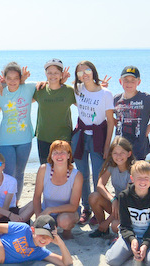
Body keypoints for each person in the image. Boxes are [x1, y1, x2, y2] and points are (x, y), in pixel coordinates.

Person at [71, 60, 115, 224]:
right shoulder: (77, 89)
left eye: (87, 70)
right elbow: (57, 84)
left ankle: (98, 211)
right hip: (80, 136)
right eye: (80, 72)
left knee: (98, 177)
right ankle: (86, 208)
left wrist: (107, 146)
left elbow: (110, 122)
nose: (84, 74)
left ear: (93, 71)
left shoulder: (105, 93)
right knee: (81, 175)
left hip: (98, 137)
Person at [105, 161, 150, 266]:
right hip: (130, 236)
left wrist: (145, 244)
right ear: (132, 179)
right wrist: (132, 240)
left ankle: (143, 250)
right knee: (112, 261)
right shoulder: (124, 196)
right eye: (139, 178)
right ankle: (117, 243)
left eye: (146, 178)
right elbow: (124, 225)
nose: (143, 181)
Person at [0, 62, 35, 202]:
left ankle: (15, 203)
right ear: (4, 78)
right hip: (6, 140)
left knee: (19, 173)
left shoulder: (28, 89)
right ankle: (6, 201)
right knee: (7, 173)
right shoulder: (0, 93)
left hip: (25, 139)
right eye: (9, 78)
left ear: (20, 79)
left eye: (16, 78)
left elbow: (47, 85)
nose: (12, 81)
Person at [114, 66, 150, 160]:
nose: (129, 83)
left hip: (139, 146)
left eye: (133, 80)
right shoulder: (116, 99)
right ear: (120, 81)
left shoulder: (145, 98)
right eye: (126, 80)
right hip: (121, 146)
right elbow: (107, 114)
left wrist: (148, 128)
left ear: (138, 82)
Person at [33, 140, 83, 240]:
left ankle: (67, 231)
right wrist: (39, 218)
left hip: (67, 212)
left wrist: (51, 210)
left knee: (64, 221)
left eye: (63, 152)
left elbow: (73, 206)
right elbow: (37, 197)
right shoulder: (43, 169)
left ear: (69, 155)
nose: (59, 156)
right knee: (33, 217)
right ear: (51, 156)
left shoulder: (76, 175)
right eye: (55, 153)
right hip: (46, 211)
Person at [89, 136, 135, 238]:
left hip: (129, 208)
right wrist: (113, 199)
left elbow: (126, 199)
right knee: (94, 196)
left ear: (129, 153)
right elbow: (100, 185)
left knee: (115, 226)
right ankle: (103, 229)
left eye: (122, 152)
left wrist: (108, 221)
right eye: (115, 153)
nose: (118, 156)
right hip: (116, 204)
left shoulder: (133, 170)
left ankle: (105, 226)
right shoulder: (112, 166)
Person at [33, 58, 75, 164]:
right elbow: (22, 100)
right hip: (43, 136)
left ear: (61, 74)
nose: (53, 75)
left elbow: (85, 103)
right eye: (50, 73)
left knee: (64, 169)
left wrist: (99, 88)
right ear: (45, 74)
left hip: (64, 137)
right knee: (45, 169)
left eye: (56, 73)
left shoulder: (69, 91)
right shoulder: (40, 90)